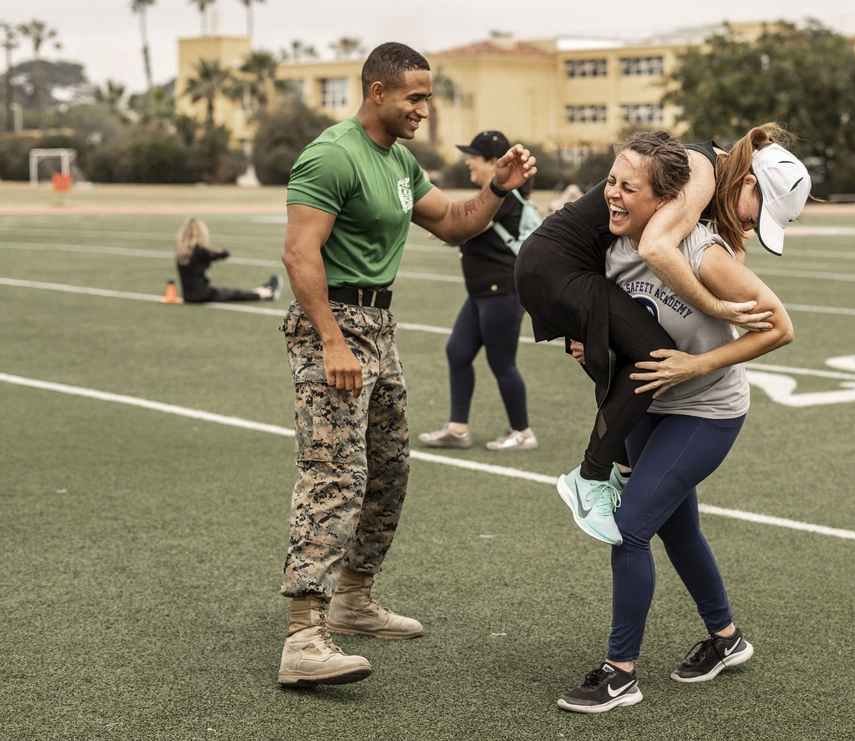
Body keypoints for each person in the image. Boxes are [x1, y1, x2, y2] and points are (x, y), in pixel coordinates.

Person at [276, 42, 536, 688]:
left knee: (388, 466)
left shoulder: (397, 161)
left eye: (428, 96)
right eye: (415, 97)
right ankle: (303, 636)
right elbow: (299, 254)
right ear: (377, 93)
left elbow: (452, 223)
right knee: (335, 470)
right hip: (330, 325)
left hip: (378, 326)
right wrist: (332, 341)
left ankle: (353, 598)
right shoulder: (334, 155)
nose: (425, 108)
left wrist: (497, 187)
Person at [556, 134, 803, 714]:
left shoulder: (704, 251)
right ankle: (727, 639)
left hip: (706, 411)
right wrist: (586, 339)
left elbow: (780, 328)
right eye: (613, 186)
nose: (614, 197)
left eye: (626, 187)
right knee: (678, 528)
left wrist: (697, 363)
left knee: (630, 525)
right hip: (649, 406)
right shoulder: (620, 242)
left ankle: (620, 675)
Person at [514, 124, 808, 544]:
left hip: (560, 267)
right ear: (747, 182)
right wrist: (717, 307)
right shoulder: (701, 168)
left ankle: (617, 467)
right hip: (557, 265)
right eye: (757, 215)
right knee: (653, 354)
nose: (750, 226)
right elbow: (654, 247)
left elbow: (723, 251)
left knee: (628, 358)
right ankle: (590, 477)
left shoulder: (716, 186)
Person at [418, 130, 536, 452]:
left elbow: (462, 227)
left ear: (493, 161)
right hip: (481, 294)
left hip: (502, 293)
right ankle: (457, 430)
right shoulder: (488, 196)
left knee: (502, 364)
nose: (468, 160)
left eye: (474, 155)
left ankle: (522, 432)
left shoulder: (503, 198)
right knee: (457, 352)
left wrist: (444, 223)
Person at [174, 217, 281, 303]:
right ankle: (267, 293)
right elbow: (224, 254)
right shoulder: (201, 251)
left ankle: (262, 290)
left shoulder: (181, 253)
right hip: (202, 294)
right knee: (235, 293)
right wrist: (217, 252)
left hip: (188, 296)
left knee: (232, 292)